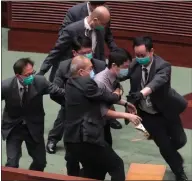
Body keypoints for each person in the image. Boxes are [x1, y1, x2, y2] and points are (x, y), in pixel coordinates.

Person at [64, 55, 141, 181]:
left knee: (94, 171)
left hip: (72, 139)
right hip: (87, 138)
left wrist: (124, 102)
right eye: (90, 69)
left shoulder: (70, 82)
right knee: (117, 165)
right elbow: (108, 97)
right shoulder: (87, 83)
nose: (92, 72)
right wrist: (117, 93)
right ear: (81, 72)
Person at [128, 36, 188, 181]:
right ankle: (179, 171)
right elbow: (124, 76)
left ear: (151, 51)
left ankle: (170, 153)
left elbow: (157, 82)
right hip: (149, 115)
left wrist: (142, 93)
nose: (139, 58)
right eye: (137, 55)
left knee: (180, 141)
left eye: (142, 55)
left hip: (166, 111)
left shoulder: (163, 66)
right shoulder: (134, 64)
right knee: (164, 146)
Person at [1, 58, 65, 171]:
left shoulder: (40, 81)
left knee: (40, 162)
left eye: (32, 73)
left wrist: (78, 92)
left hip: (34, 126)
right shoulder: (5, 86)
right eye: (28, 74)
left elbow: (58, 91)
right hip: (13, 127)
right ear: (18, 76)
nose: (31, 76)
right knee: (12, 163)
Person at [46, 36, 106, 154]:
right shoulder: (64, 66)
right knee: (65, 113)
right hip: (72, 100)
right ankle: (53, 139)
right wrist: (70, 98)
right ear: (74, 53)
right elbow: (55, 89)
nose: (88, 55)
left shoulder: (100, 65)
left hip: (95, 99)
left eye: (90, 52)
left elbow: (110, 85)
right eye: (84, 53)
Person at [38, 6, 111, 82]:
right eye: (103, 24)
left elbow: (101, 53)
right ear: (95, 20)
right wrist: (42, 72)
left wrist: (103, 73)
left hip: (88, 76)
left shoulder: (101, 31)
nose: (105, 26)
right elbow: (56, 51)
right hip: (68, 76)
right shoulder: (71, 30)